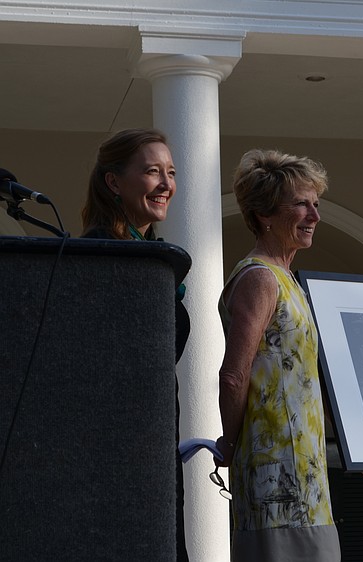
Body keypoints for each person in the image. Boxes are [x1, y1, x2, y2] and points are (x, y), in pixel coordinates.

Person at [214, 148, 363, 562]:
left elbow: (307, 384)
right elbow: (233, 376)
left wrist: (355, 450)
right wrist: (232, 443)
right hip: (275, 478)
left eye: (317, 205)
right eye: (301, 204)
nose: (314, 216)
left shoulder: (291, 281)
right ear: (264, 214)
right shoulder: (260, 277)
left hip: (307, 478)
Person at [80, 127, 190, 561]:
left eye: (171, 172)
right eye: (152, 172)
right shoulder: (98, 256)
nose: (166, 184)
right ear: (113, 182)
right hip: (116, 446)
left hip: (154, 435)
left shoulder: (154, 258)